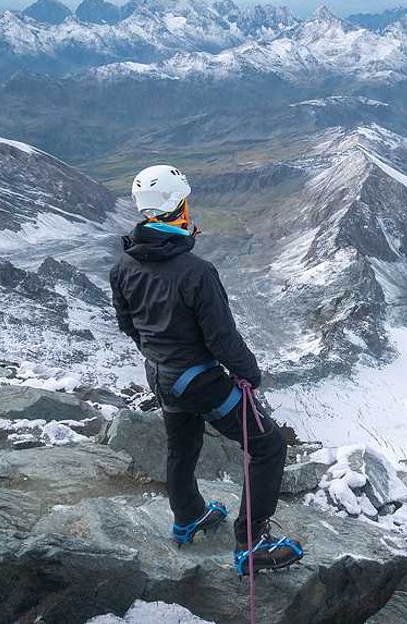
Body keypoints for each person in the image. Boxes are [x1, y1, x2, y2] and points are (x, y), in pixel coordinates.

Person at [109, 164, 303, 575]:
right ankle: (251, 543)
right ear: (178, 207)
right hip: (200, 379)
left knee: (182, 448)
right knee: (268, 447)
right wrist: (250, 374)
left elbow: (128, 325)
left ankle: (188, 517)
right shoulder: (196, 272)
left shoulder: (123, 265)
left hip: (161, 376)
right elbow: (222, 340)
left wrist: (160, 354)